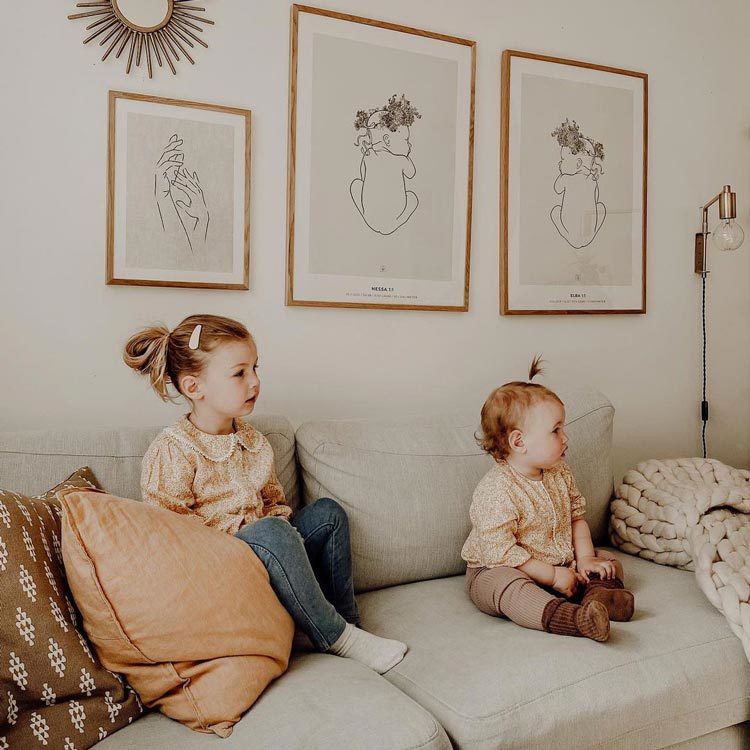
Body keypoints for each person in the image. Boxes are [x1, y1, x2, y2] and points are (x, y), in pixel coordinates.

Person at [123, 314, 407, 674]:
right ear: (194, 387)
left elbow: (274, 503)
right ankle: (338, 637)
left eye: (255, 368)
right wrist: (261, 537)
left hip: (272, 552)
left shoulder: (254, 441)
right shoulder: (174, 449)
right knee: (271, 532)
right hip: (222, 565)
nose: (255, 381)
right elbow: (170, 531)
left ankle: (346, 623)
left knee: (327, 514)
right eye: (239, 373)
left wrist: (284, 535)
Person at [461, 357, 634, 642]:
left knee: (607, 561)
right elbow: (500, 552)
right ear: (519, 442)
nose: (565, 438)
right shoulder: (496, 490)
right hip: (502, 567)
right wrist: (552, 576)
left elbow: (576, 518)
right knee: (508, 587)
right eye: (556, 430)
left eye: (563, 428)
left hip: (560, 561)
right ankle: (574, 620)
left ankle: (600, 598)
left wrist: (586, 559)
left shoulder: (559, 472)